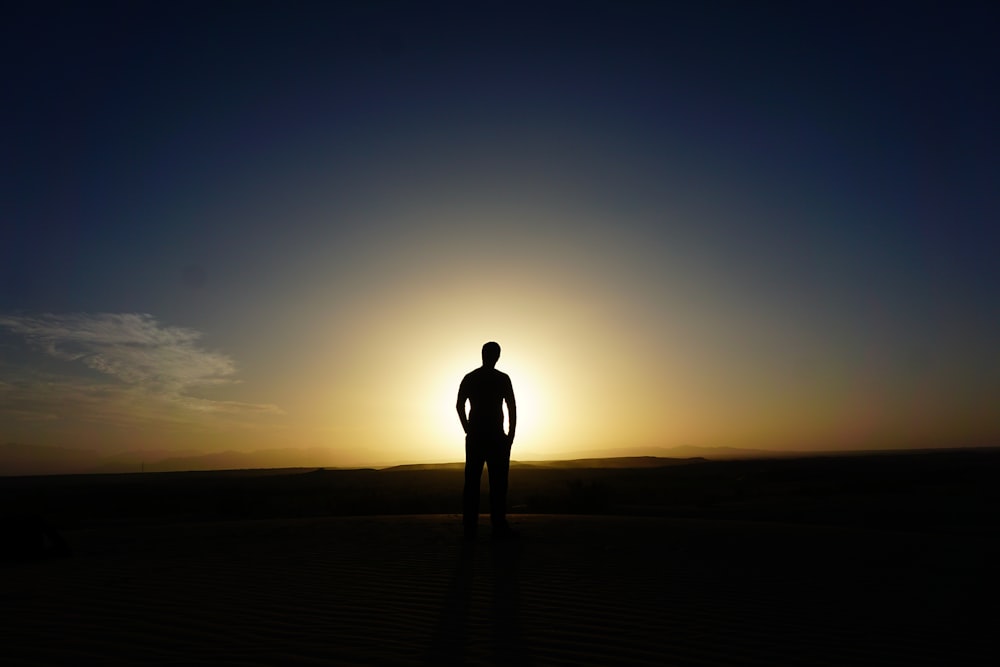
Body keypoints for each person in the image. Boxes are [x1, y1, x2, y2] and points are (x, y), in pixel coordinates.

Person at [456, 341, 517, 539]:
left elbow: (459, 405)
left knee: (473, 480)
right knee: (497, 482)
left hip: (478, 436)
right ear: (496, 356)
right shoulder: (502, 379)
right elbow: (512, 408)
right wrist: (510, 435)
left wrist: (468, 429)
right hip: (496, 437)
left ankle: (470, 521)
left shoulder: (471, 377)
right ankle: (497, 521)